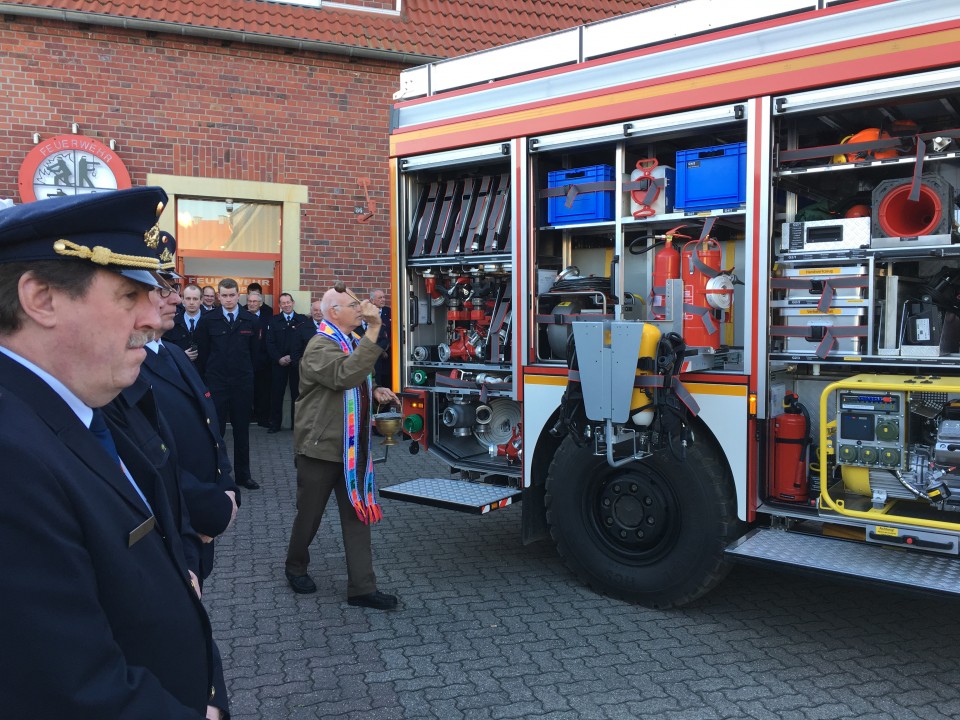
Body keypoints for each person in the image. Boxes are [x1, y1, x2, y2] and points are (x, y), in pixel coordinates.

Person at [0, 187, 226, 718]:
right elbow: (66, 690)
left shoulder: (84, 405)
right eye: (130, 295)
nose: (154, 316)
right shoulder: (11, 456)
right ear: (42, 299)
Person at [284, 286, 399, 609]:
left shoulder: (346, 341)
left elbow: (355, 375)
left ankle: (362, 587)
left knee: (357, 517)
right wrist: (374, 328)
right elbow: (344, 375)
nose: (360, 308)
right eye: (352, 305)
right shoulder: (320, 345)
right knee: (309, 515)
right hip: (320, 448)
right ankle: (295, 566)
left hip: (350, 448)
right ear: (334, 312)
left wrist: (374, 389)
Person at [143, 235, 240, 585]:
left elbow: (210, 427)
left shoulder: (170, 353)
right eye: (162, 287)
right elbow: (145, 457)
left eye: (175, 285)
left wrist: (228, 486)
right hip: (172, 528)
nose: (174, 297)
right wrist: (207, 510)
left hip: (201, 524)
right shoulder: (125, 368)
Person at [195, 278, 260, 490]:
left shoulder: (250, 320)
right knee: (217, 431)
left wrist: (248, 376)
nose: (229, 299)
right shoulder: (207, 320)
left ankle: (243, 475)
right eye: (224, 295)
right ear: (218, 296)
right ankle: (218, 474)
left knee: (242, 431)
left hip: (242, 383)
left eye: (232, 295)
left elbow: (254, 354)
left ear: (238, 295)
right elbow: (203, 354)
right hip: (217, 383)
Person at [265, 292, 307, 433]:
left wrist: (294, 357)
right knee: (276, 394)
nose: (286, 305)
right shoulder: (274, 321)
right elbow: (269, 343)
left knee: (298, 395)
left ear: (293, 303)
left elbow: (306, 343)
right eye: (283, 303)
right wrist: (279, 358)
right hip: (279, 364)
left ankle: (297, 426)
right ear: (279, 305)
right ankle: (275, 424)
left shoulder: (302, 320)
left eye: (288, 302)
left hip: (296, 364)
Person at [245, 290, 271, 427]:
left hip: (263, 362)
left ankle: (262, 417)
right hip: (245, 361)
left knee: (262, 391)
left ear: (260, 303)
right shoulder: (242, 317)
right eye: (249, 301)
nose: (252, 304)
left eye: (255, 301)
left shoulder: (267, 318)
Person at [163, 282, 203, 362]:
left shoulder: (210, 321)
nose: (191, 302)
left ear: (201, 300)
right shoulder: (172, 323)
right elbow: (165, 349)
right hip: (181, 370)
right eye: (188, 298)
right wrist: (181, 355)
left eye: (195, 299)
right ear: (182, 300)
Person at [360, 287, 391, 388]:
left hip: (386, 357)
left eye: (384, 297)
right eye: (380, 298)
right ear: (372, 300)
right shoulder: (366, 314)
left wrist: (383, 349)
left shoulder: (389, 312)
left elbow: (391, 334)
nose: (383, 299)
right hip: (369, 356)